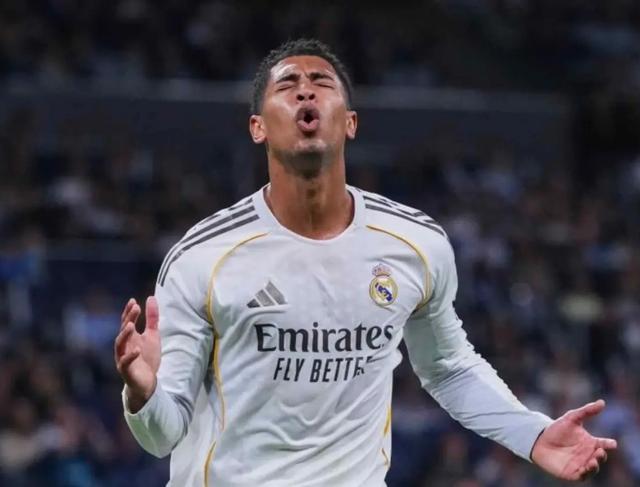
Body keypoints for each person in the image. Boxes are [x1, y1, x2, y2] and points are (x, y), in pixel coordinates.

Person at [114, 38, 616, 486]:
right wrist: (142, 393)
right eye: (287, 85)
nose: (306, 93)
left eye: (321, 83)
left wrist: (532, 434)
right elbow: (162, 436)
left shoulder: (415, 244)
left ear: (350, 122)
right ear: (257, 127)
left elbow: (447, 368)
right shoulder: (203, 257)